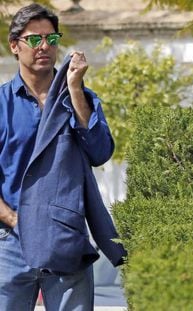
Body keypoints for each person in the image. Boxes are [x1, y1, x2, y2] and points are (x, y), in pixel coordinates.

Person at [0, 3, 126, 310]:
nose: (44, 46)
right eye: (34, 39)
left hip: (66, 237)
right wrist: (16, 220)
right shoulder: (2, 105)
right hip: (10, 244)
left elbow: (100, 153)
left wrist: (74, 88)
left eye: (52, 39)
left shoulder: (81, 98)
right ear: (14, 45)